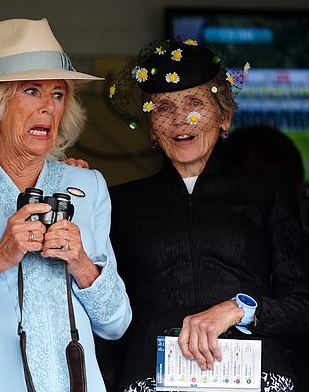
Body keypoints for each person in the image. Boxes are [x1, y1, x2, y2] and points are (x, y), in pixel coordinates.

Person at [0, 18, 132, 392]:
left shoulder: (89, 185)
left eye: (59, 94)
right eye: (32, 91)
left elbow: (116, 323)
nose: (48, 107)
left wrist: (82, 264)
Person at [107, 39, 309, 391]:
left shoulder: (267, 191)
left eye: (195, 102)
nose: (181, 120)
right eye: (164, 107)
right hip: (152, 380)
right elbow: (107, 316)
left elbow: (303, 306)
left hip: (256, 378)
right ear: (151, 125)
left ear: (225, 114)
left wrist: (239, 309)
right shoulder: (120, 203)